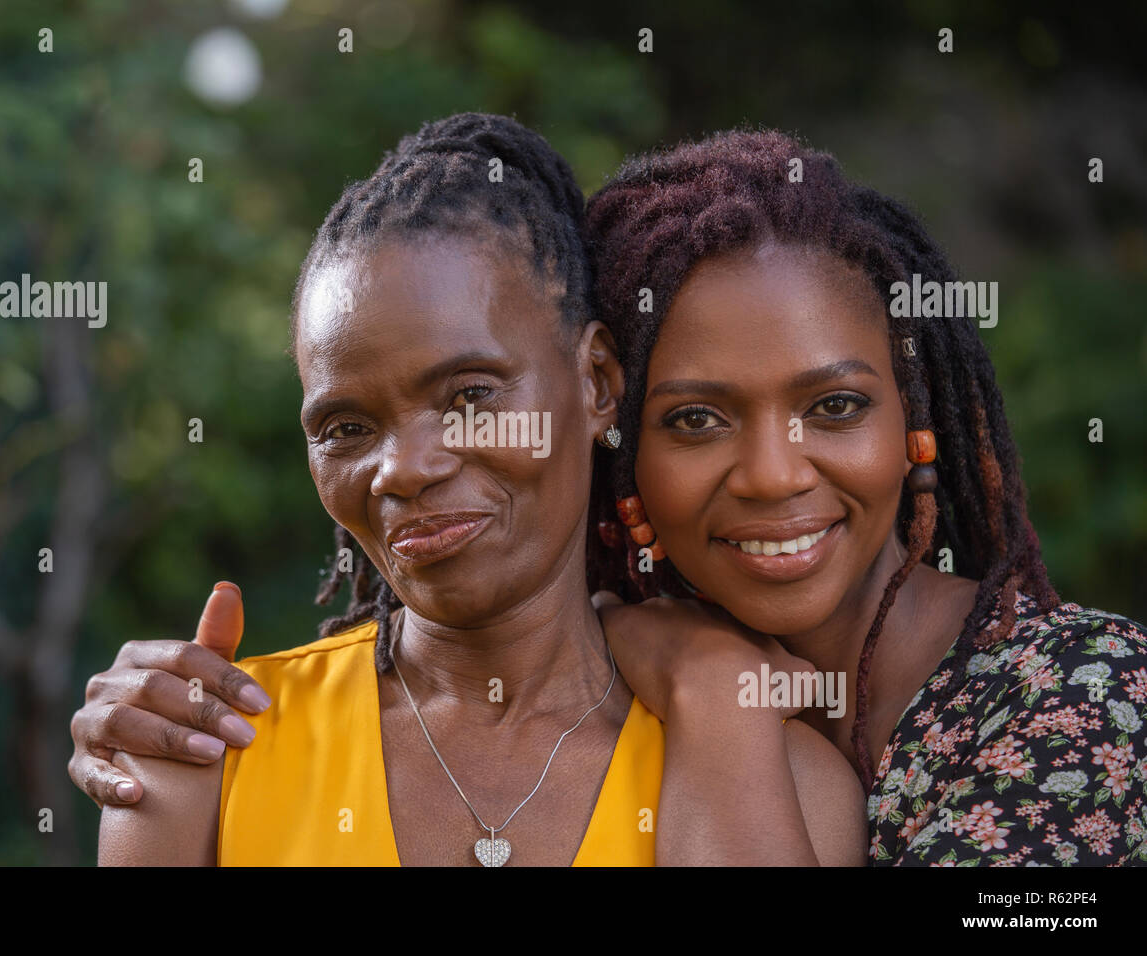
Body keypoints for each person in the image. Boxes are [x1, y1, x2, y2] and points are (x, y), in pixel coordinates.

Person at [83, 114, 867, 866]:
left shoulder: (784, 786)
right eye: (346, 429)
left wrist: (714, 701)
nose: (403, 469)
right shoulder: (199, 754)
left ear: (595, 383)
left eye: (469, 396)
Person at [583, 129, 1147, 866]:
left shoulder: (1086, 695)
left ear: (915, 418)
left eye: (835, 406)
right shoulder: (579, 709)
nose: (774, 475)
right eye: (696, 420)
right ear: (619, 451)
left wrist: (719, 699)